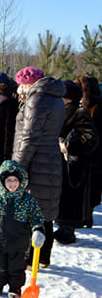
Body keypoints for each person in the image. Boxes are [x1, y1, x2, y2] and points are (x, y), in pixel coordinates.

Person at [12, 66, 65, 268]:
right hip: (50, 159)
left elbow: (29, 136)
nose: (20, 91)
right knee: (46, 210)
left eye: (21, 86)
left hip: (35, 162)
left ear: (28, 84)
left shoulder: (37, 99)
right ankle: (43, 256)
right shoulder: (56, 97)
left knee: (31, 209)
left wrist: (17, 166)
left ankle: (30, 256)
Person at [0, 160, 45, 298]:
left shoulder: (27, 200)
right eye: (9, 180)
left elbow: (36, 216)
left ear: (20, 181)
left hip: (19, 241)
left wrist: (38, 230)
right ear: (2, 181)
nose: (12, 184)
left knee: (17, 266)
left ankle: (15, 287)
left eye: (15, 180)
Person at [54, 81, 98, 244]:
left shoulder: (80, 112)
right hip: (60, 164)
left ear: (69, 98)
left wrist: (69, 146)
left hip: (73, 166)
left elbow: (91, 138)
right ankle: (62, 227)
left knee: (70, 200)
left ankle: (68, 230)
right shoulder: (58, 110)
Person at [75, 76, 102, 228]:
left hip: (92, 154)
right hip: (93, 154)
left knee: (89, 187)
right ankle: (86, 215)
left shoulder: (94, 108)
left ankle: (86, 216)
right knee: (90, 187)